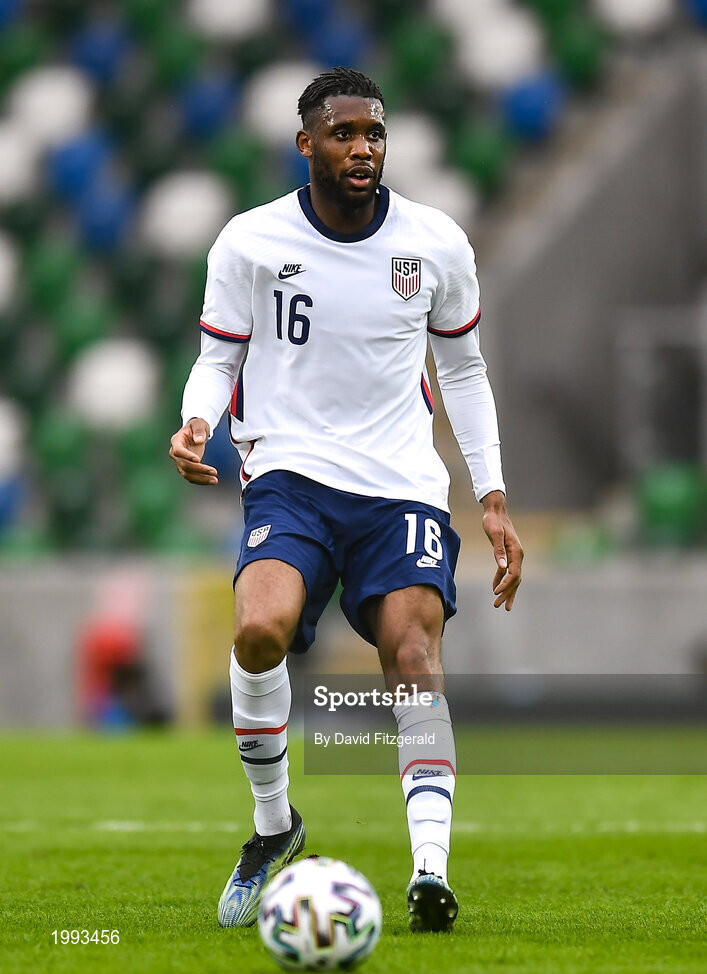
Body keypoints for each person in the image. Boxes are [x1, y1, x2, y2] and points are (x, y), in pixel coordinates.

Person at [169, 66, 523, 934]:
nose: (362, 148)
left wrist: (491, 495)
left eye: (373, 134)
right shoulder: (250, 241)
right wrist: (195, 420)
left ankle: (430, 871)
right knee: (259, 630)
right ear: (306, 144)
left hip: (400, 487)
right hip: (288, 475)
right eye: (343, 134)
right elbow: (219, 356)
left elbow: (463, 370)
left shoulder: (434, 242)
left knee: (412, 656)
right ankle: (273, 828)